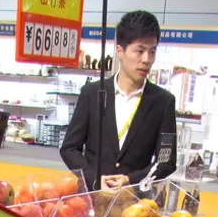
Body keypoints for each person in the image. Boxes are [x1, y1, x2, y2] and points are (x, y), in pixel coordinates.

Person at [60, 10, 177, 191]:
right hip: (91, 198)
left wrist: (131, 179)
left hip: (135, 204)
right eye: (139, 51)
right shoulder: (92, 93)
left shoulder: (163, 102)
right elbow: (69, 148)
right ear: (120, 51)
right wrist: (94, 178)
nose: (147, 60)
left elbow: (166, 162)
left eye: (152, 52)